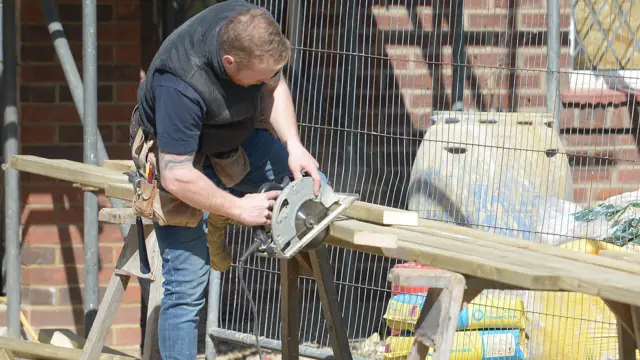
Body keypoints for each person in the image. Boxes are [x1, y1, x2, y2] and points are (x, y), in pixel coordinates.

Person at [128, 1, 325, 358]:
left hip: (232, 141)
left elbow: (275, 86)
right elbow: (176, 175)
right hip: (178, 161)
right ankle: (221, 203)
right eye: (259, 76)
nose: (267, 80)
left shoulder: (255, 30)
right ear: (230, 63)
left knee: (313, 188)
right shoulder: (180, 83)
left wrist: (293, 144)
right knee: (186, 287)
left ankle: (222, 203)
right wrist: (238, 207)